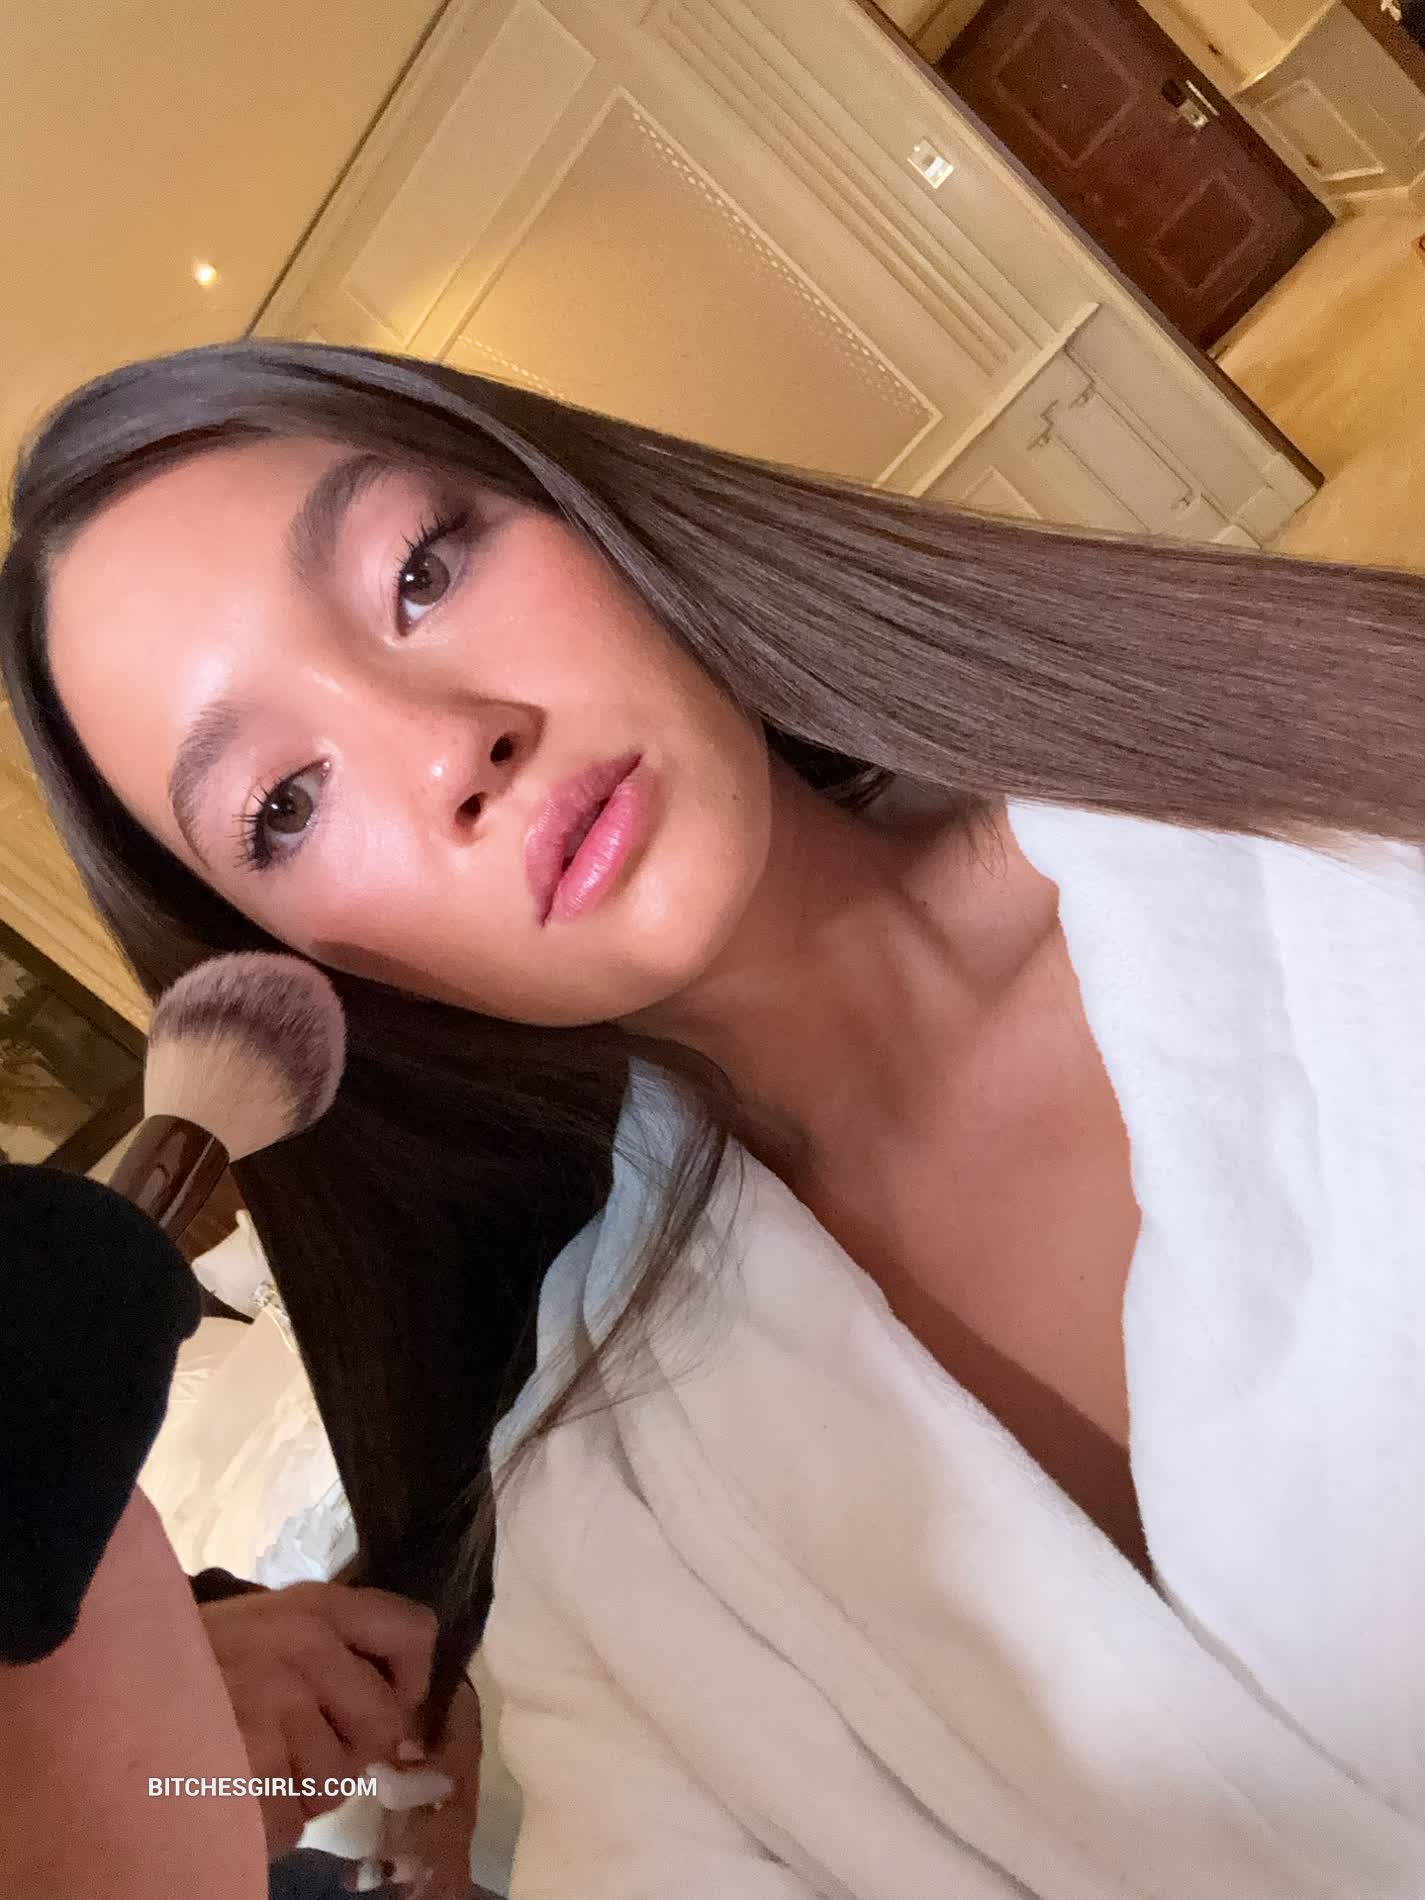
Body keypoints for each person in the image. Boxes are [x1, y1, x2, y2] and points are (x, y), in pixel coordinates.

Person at [3, 338, 1425, 1895]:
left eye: (420, 571)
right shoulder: (607, 1506)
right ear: (305, 970)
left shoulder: (1341, 814)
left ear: (584, 513)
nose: (448, 743)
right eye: (285, 804)